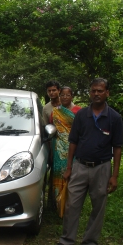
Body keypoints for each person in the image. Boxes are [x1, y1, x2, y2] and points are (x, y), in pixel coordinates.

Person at [52, 78, 123, 245]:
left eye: (100, 91)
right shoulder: (82, 115)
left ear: (107, 93)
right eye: (93, 91)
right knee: (72, 204)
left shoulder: (114, 118)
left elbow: (117, 147)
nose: (96, 94)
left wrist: (114, 175)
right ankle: (66, 240)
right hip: (80, 166)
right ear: (89, 93)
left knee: (98, 206)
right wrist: (69, 167)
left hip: (102, 167)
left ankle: (90, 243)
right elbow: (73, 142)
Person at [50, 86, 81, 217]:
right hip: (58, 149)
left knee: (73, 177)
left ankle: (71, 207)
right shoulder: (54, 112)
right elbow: (52, 128)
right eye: (62, 95)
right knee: (59, 175)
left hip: (74, 148)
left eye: (67, 95)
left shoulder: (79, 111)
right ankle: (58, 206)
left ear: (72, 96)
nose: (65, 97)